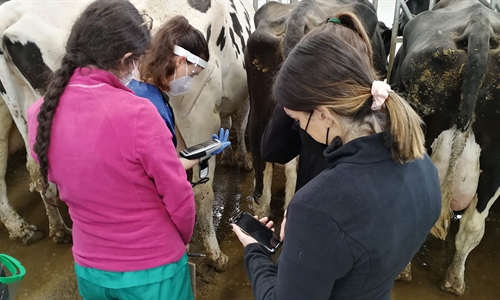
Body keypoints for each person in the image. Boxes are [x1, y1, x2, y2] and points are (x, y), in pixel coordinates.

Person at [232, 13, 442, 300]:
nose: (299, 127)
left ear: (323, 115)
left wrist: (254, 251)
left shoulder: (317, 206)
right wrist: (307, 237)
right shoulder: (425, 167)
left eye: (298, 120)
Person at [27, 1, 195, 299]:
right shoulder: (138, 114)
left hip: (90, 268)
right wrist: (180, 238)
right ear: (128, 59)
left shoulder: (40, 114)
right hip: (153, 269)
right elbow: (178, 196)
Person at [127, 15, 230, 172]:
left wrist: (204, 150)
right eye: (192, 74)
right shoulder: (151, 108)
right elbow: (167, 172)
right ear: (180, 61)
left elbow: (170, 157)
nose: (189, 81)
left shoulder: (140, 89)